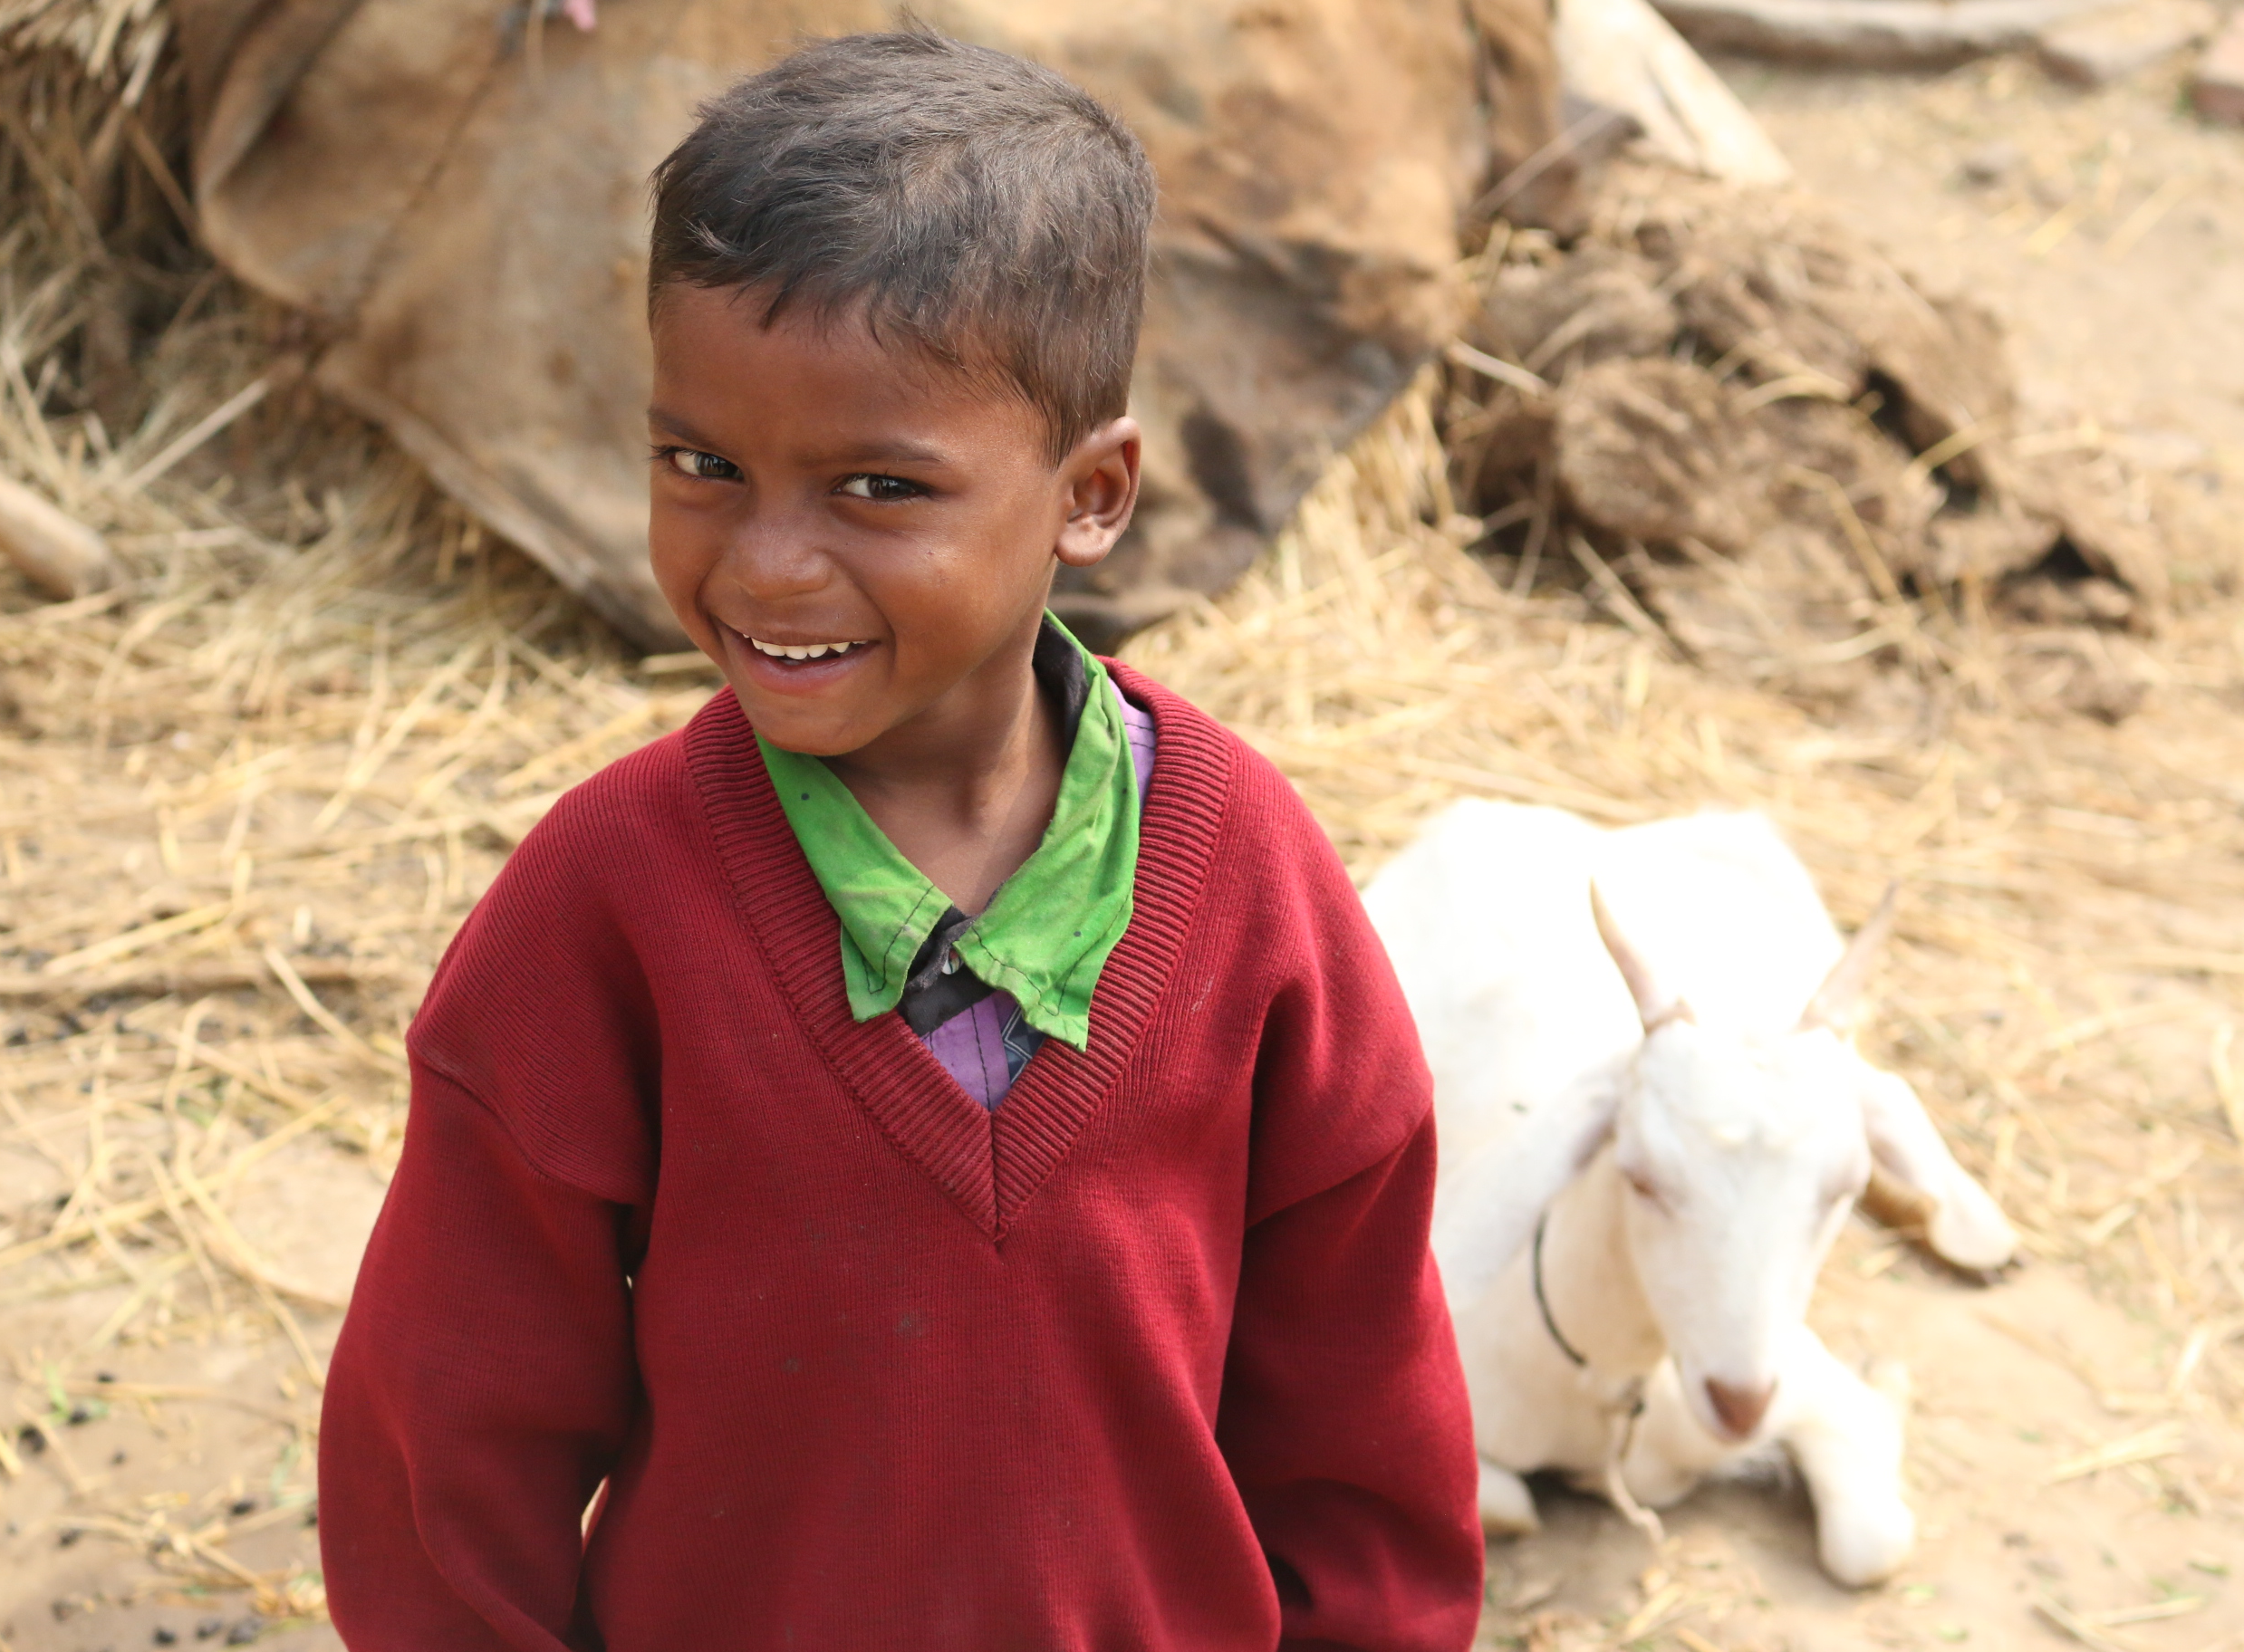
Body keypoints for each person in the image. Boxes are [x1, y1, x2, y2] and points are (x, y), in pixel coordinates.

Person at [318, 27, 1482, 1650]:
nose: (767, 565)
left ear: (1094, 493)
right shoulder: (606, 911)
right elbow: (447, 1468)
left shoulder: (1252, 887)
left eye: (875, 486)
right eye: (700, 465)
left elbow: (1365, 1439)